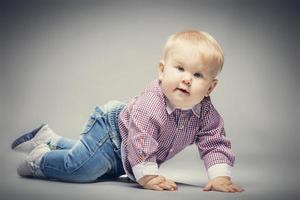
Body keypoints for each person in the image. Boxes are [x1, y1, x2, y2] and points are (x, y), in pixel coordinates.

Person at [11, 30, 244, 192]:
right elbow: (141, 138)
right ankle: (38, 161)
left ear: (211, 87)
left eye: (198, 75)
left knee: (101, 167)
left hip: (128, 151)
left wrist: (220, 177)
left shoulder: (206, 115)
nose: (186, 79)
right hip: (111, 133)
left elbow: (215, 142)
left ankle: (49, 139)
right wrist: (148, 175)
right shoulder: (151, 103)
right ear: (162, 70)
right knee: (83, 169)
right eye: (180, 68)